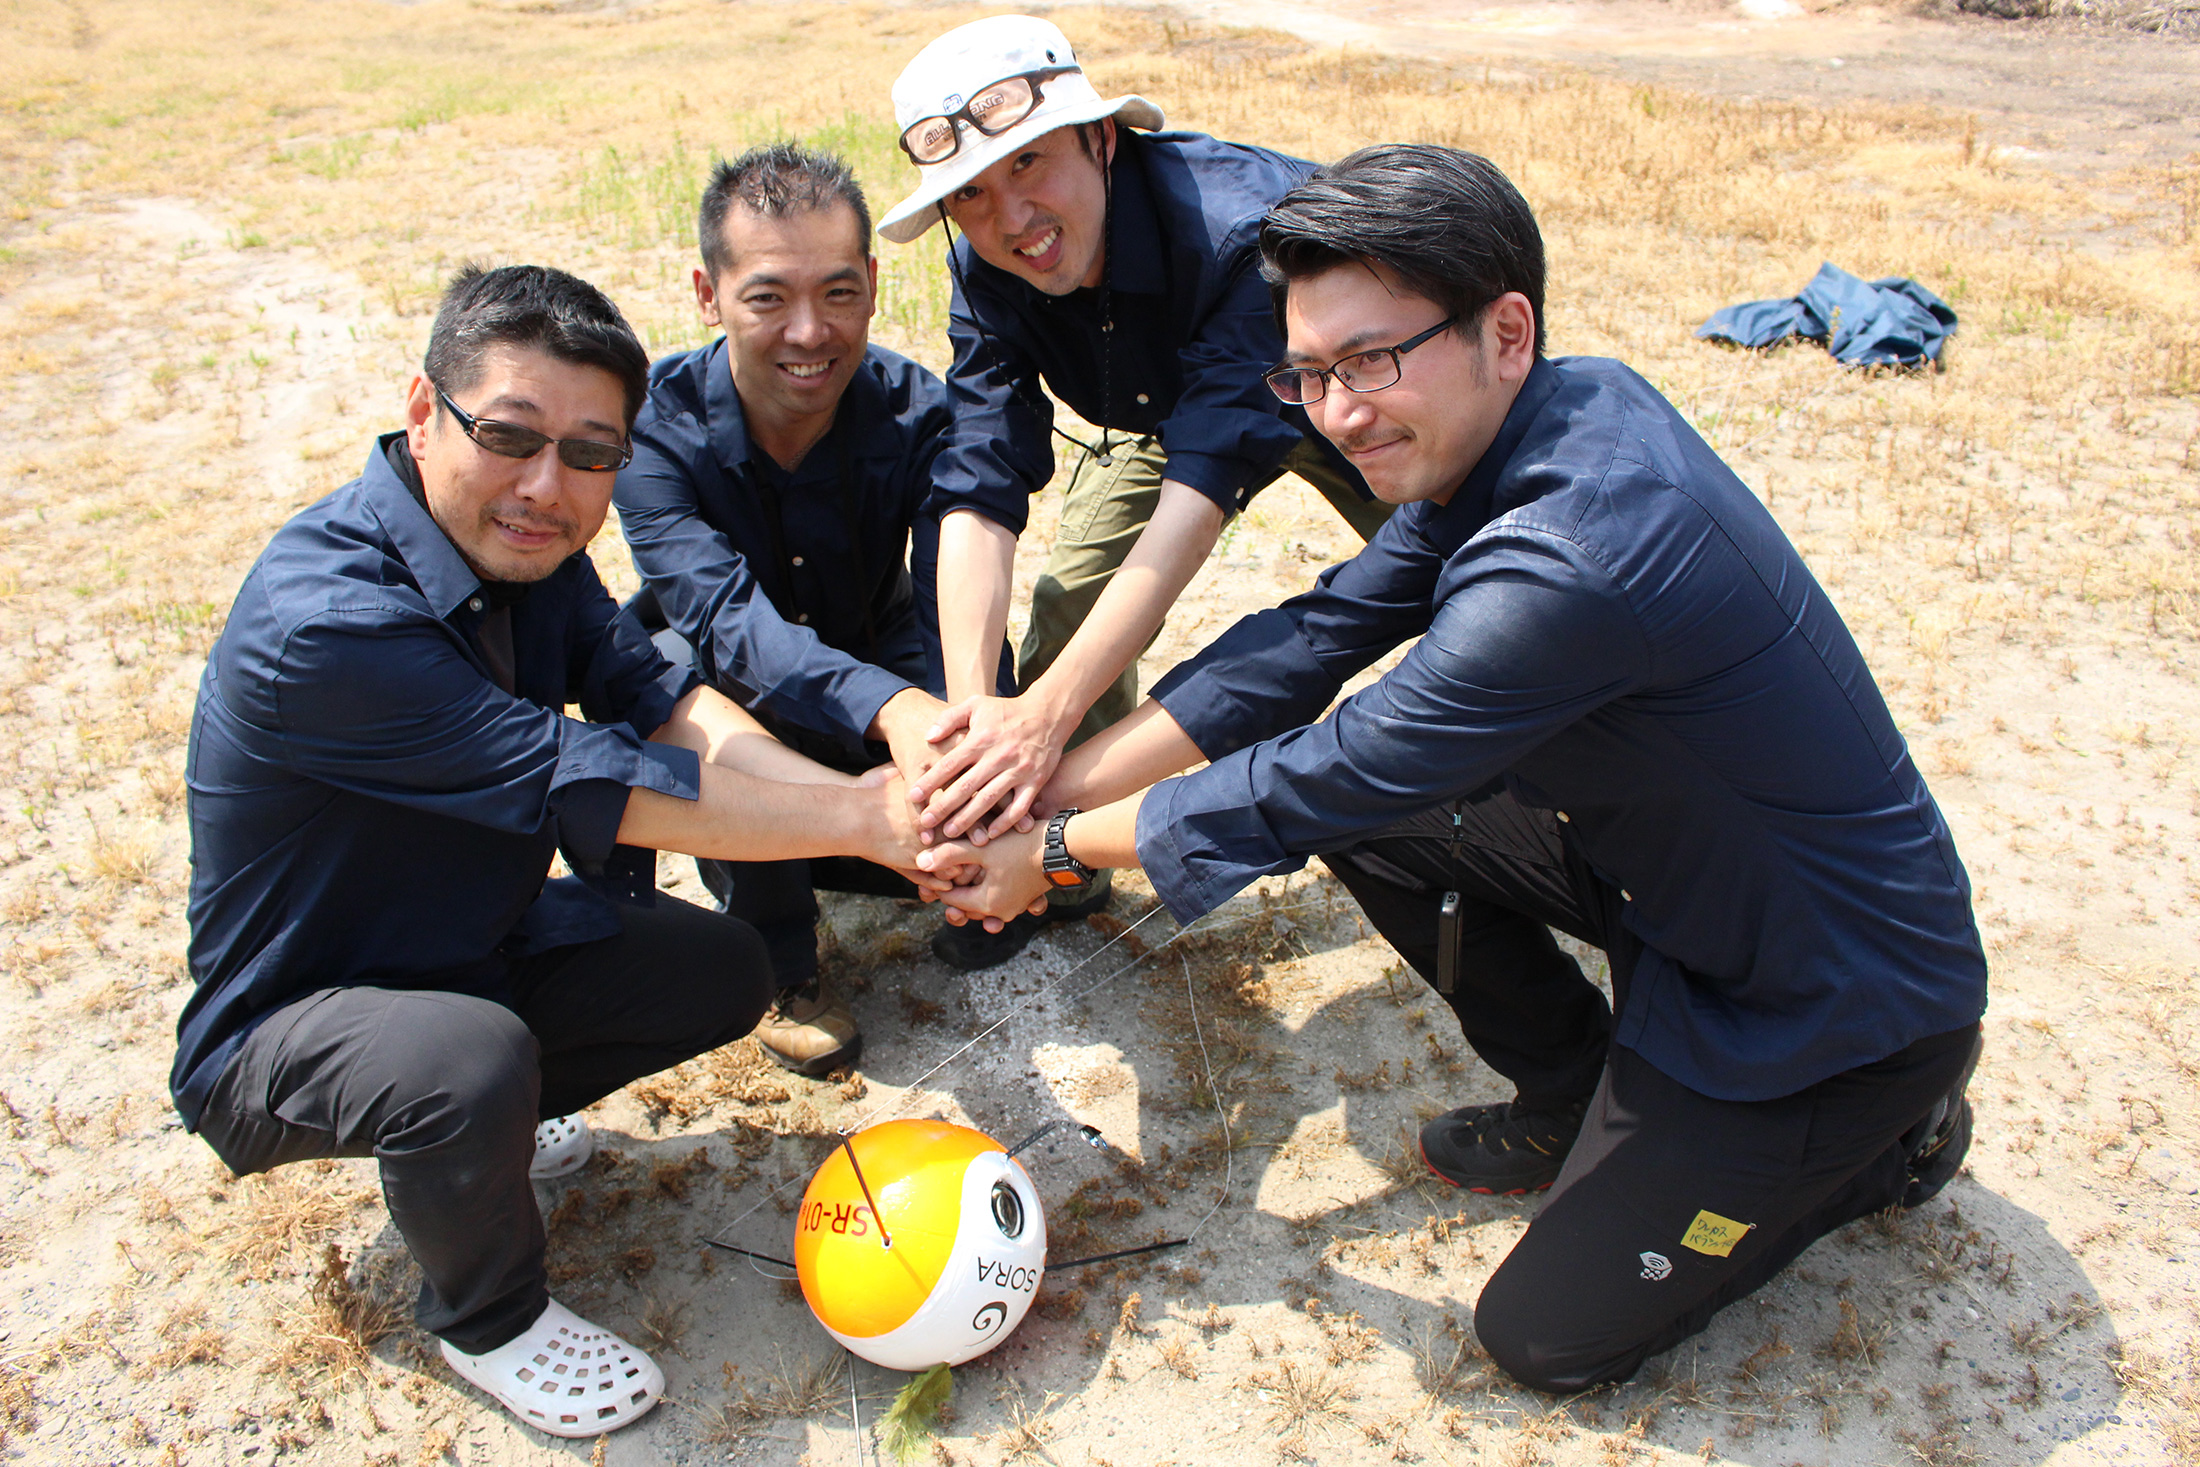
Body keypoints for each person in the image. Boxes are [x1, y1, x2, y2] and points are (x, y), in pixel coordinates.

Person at [923, 145, 1990, 1393]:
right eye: (1309, 373)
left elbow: (1323, 769)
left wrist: (1043, 855)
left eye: (1372, 361)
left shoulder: (1570, 558)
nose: (1336, 413)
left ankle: (1882, 1151)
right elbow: (1310, 638)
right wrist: (1048, 781)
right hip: (1663, 873)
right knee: (1382, 823)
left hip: (1825, 1002)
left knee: (1543, 1338)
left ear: (1506, 327)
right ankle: (1574, 1082)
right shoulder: (1537, 421)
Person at [176, 264, 946, 1439]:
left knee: (725, 969)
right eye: (510, 436)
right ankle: (489, 1319)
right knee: (462, 1062)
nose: (548, 486)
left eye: (593, 454)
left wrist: (867, 803)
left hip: (464, 940)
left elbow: (664, 704)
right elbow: (603, 786)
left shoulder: (532, 551)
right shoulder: (328, 622)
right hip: (297, 1013)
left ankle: (480, 1131)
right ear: (425, 413)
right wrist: (871, 826)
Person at [876, 15, 1397, 962]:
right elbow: (980, 474)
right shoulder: (985, 261)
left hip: (1348, 394)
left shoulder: (1244, 228)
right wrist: (975, 728)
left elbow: (1204, 487)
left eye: (1031, 164)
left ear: (1103, 138)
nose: (1012, 219)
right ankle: (1054, 855)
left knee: (1459, 567)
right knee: (1075, 600)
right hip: (1163, 412)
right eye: (974, 195)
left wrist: (1044, 720)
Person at [614, 143, 1017, 1070]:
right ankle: (783, 953)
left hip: (877, 640)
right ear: (707, 295)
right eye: (768, 297)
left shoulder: (920, 414)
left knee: (978, 701)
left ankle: (979, 881)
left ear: (874, 283)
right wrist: (889, 709)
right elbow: (723, 618)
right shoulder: (650, 433)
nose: (810, 332)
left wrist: (962, 727)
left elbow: (950, 586)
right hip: (729, 670)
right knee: (703, 697)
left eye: (838, 293)